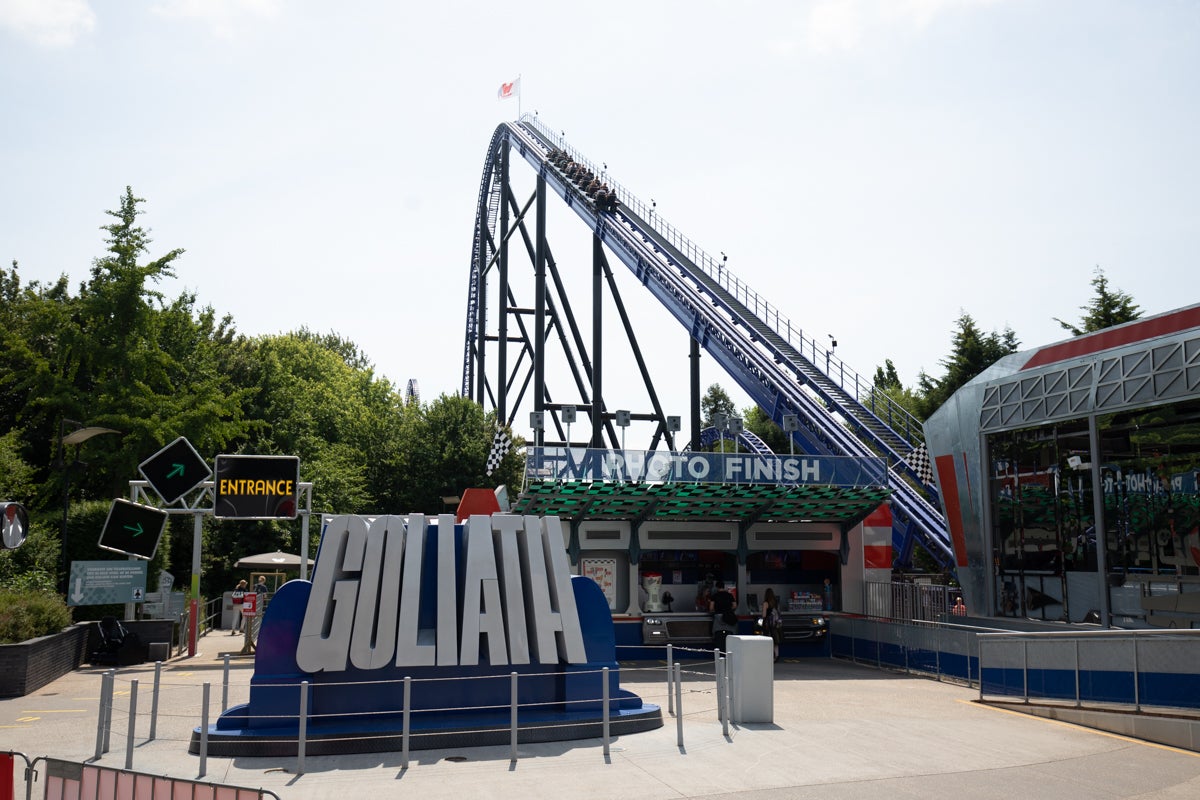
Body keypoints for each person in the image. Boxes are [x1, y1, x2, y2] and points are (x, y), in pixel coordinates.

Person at [708, 580, 736, 652]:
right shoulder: (729, 595)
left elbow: (711, 608)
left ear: (717, 587)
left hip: (718, 618)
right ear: (724, 587)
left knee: (718, 635)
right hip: (728, 617)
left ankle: (720, 652)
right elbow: (734, 606)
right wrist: (728, 609)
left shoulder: (714, 596)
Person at [761, 587, 783, 662]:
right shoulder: (776, 602)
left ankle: (770, 656)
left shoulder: (765, 603)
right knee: (775, 640)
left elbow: (764, 615)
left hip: (768, 624)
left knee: (768, 640)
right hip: (775, 624)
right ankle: (776, 656)